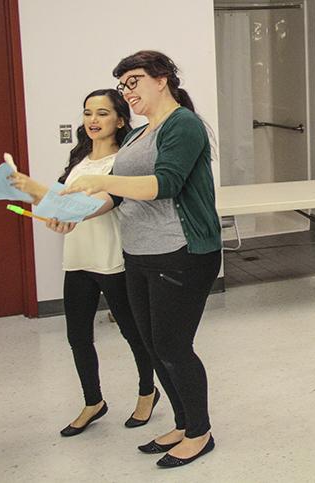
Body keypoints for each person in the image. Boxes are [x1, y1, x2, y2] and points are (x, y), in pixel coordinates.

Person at [61, 51, 222, 468]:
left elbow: (165, 184)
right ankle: (184, 423)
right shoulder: (137, 135)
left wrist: (100, 177)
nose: (127, 92)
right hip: (139, 253)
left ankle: (200, 433)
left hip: (182, 251)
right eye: (122, 85)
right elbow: (116, 197)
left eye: (133, 81)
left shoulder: (182, 125)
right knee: (153, 346)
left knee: (173, 345)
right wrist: (73, 215)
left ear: (162, 79)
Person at [9, 89, 158, 436]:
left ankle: (148, 391)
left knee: (134, 334)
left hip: (113, 259)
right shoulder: (79, 160)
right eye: (88, 113)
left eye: (103, 113)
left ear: (120, 119)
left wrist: (71, 212)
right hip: (76, 259)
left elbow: (109, 201)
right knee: (77, 336)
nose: (93, 120)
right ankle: (94, 401)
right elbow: (59, 200)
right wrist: (37, 201)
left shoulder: (124, 161)